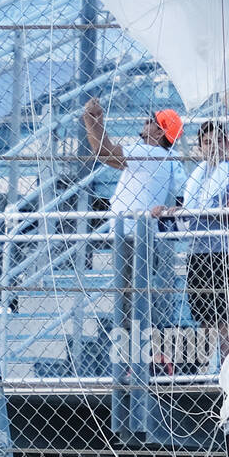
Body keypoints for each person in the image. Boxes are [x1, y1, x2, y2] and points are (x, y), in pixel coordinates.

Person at [83, 96, 185, 336]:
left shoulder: (150, 154)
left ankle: (132, 358)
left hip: (132, 234)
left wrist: (93, 119)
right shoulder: (163, 158)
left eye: (151, 121)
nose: (145, 122)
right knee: (136, 298)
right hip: (140, 234)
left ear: (160, 133)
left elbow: (103, 151)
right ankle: (138, 355)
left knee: (129, 301)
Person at [157, 120, 229, 366]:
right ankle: (210, 369)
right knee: (203, 314)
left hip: (222, 252)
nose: (213, 146)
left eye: (218, 140)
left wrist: (194, 212)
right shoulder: (197, 174)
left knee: (226, 317)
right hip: (197, 251)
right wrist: (179, 211)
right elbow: (189, 208)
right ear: (200, 147)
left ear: (226, 143)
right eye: (207, 142)